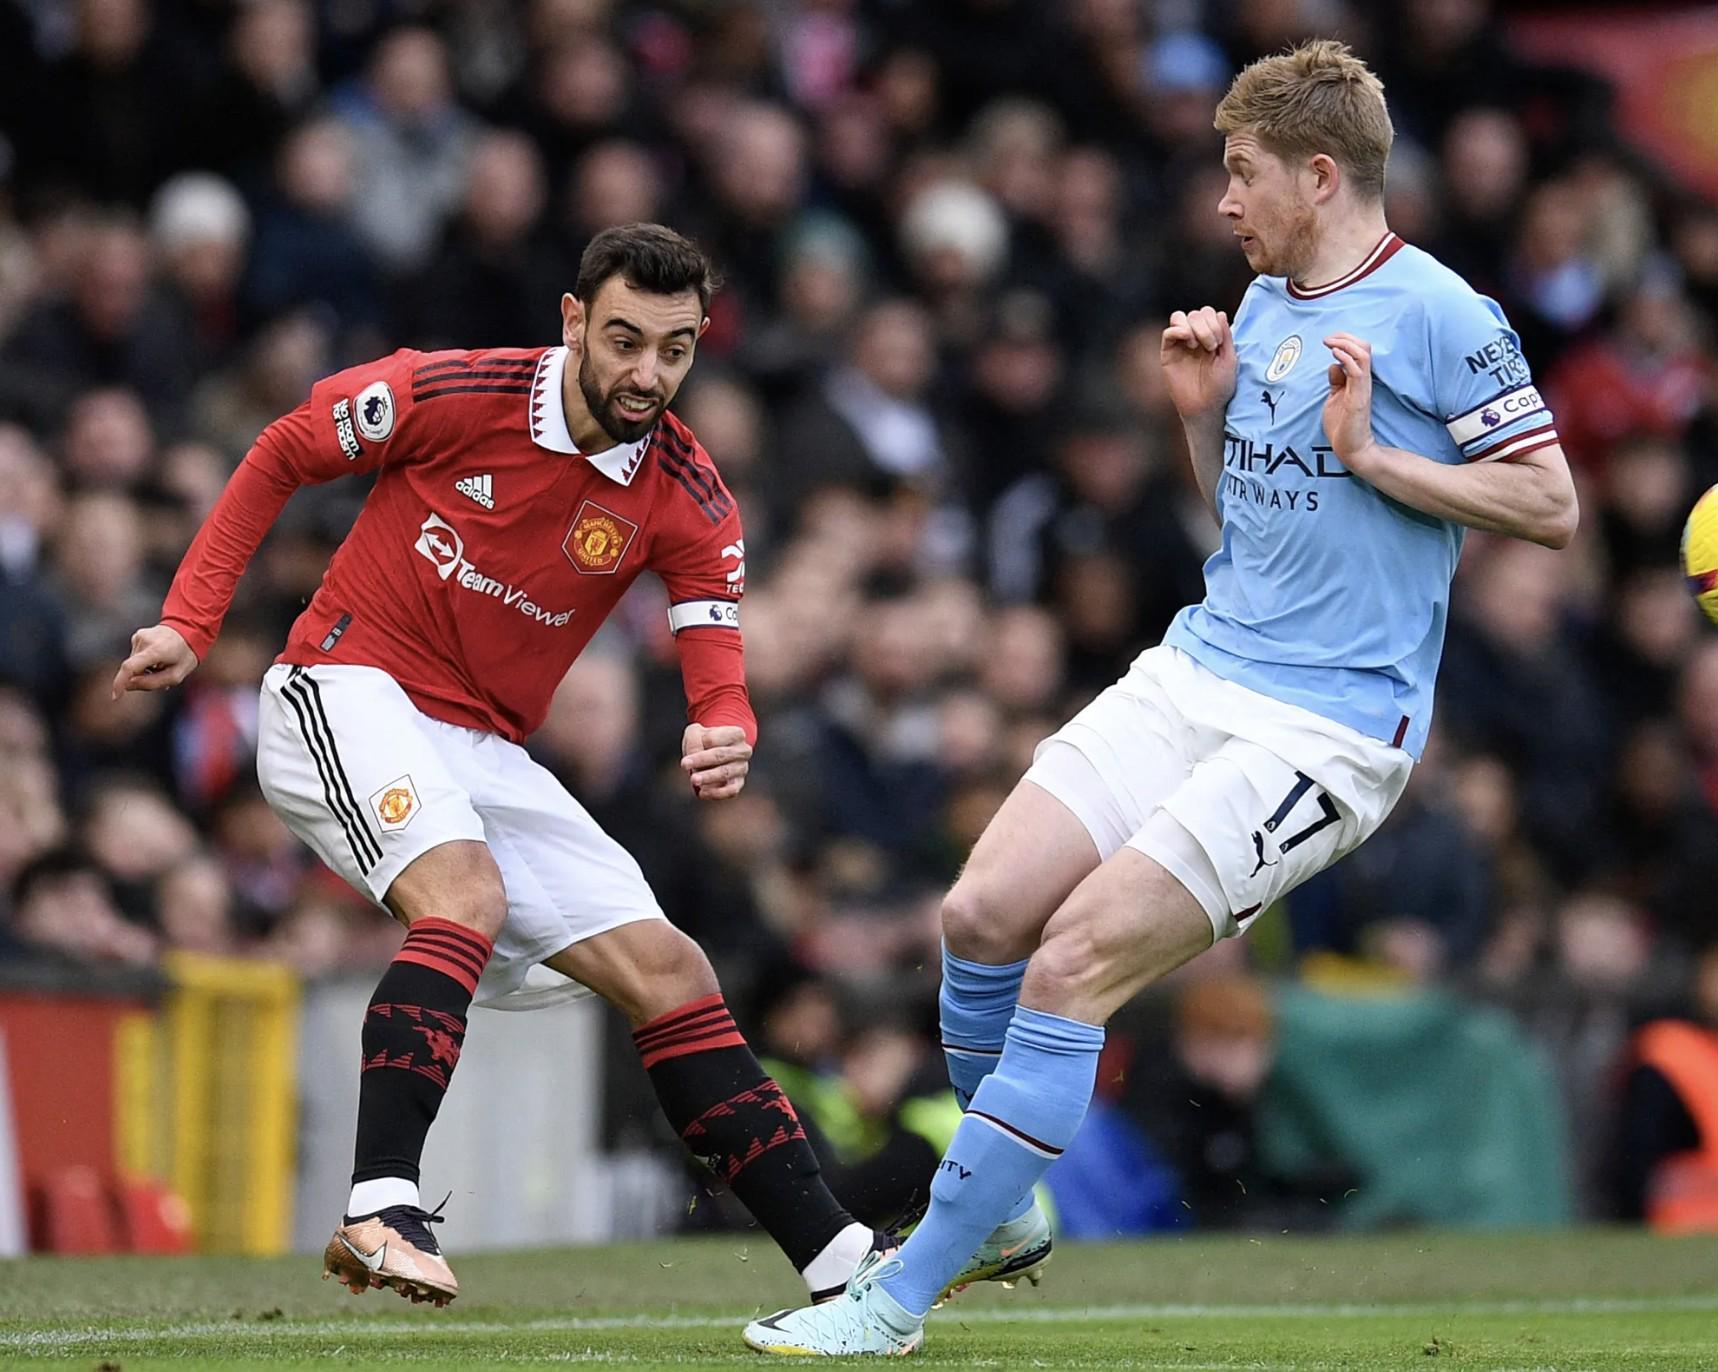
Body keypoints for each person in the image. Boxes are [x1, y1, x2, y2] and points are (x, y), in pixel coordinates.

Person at [744, 40, 1578, 1356]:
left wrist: (1377, 459)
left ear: (1319, 175)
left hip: (1328, 729)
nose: (1223, 200)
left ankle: (894, 1301)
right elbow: (1252, 529)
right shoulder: (1262, 304)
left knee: (1073, 960)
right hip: (1200, 668)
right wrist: (1201, 417)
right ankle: (997, 1208)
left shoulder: (1443, 315)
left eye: (1242, 173)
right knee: (979, 913)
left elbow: (1548, 501)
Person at [112, 224, 883, 1309]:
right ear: (574, 320)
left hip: (482, 748)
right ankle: (380, 1205)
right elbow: (285, 447)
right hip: (344, 684)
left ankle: (842, 1267)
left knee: (671, 970)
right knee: (464, 893)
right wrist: (191, 622)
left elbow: (714, 651)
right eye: (625, 340)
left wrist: (725, 721)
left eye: (675, 349)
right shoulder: (454, 391)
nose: (647, 373)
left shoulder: (690, 491)